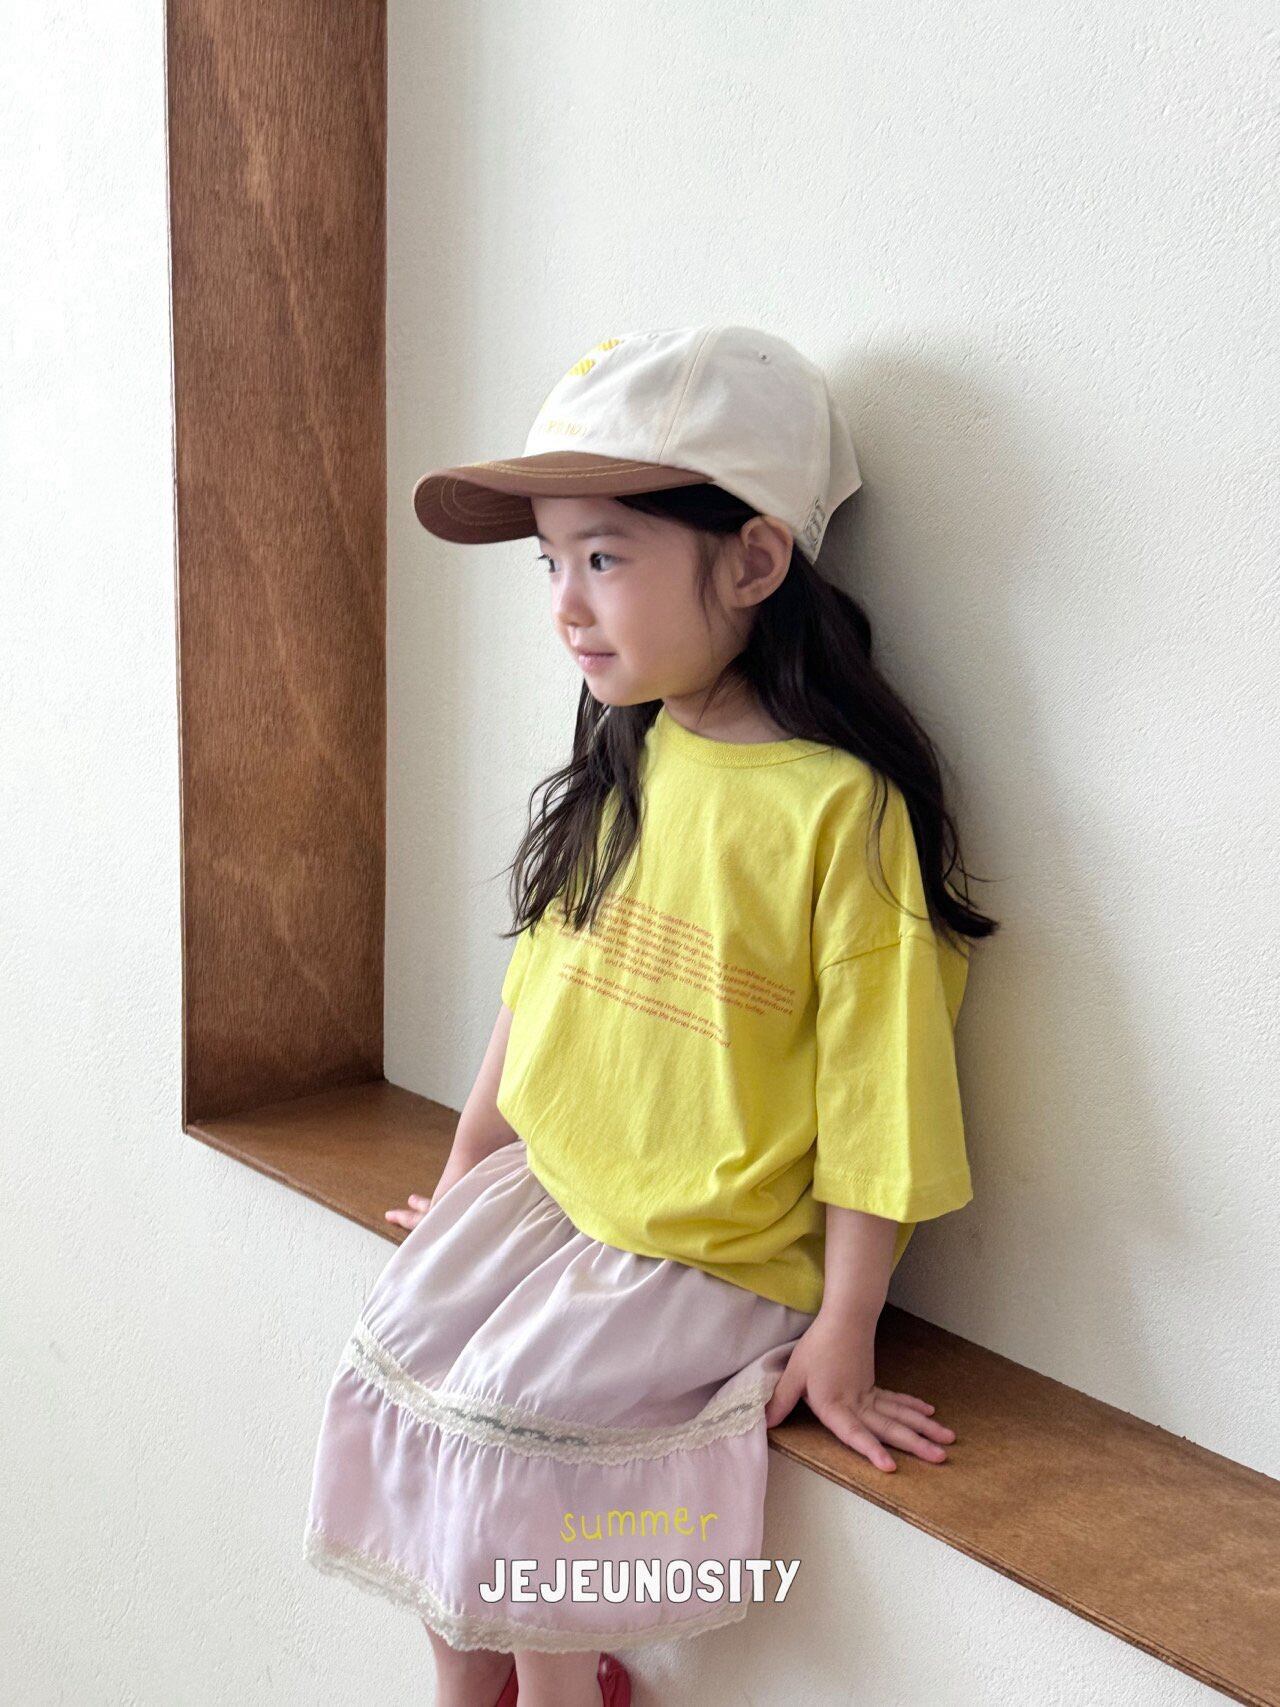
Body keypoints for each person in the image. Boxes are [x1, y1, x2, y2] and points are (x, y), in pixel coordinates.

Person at [302, 324, 999, 1707]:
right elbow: (536, 995)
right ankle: (470, 1689)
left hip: (708, 1246)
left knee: (514, 1432)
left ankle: (566, 1693)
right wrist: (464, 1175)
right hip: (555, 1200)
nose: (567, 606)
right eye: (551, 563)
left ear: (753, 562)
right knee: (399, 1354)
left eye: (606, 558)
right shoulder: (628, 751)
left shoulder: (838, 811)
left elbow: (882, 1094)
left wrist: (847, 1323)